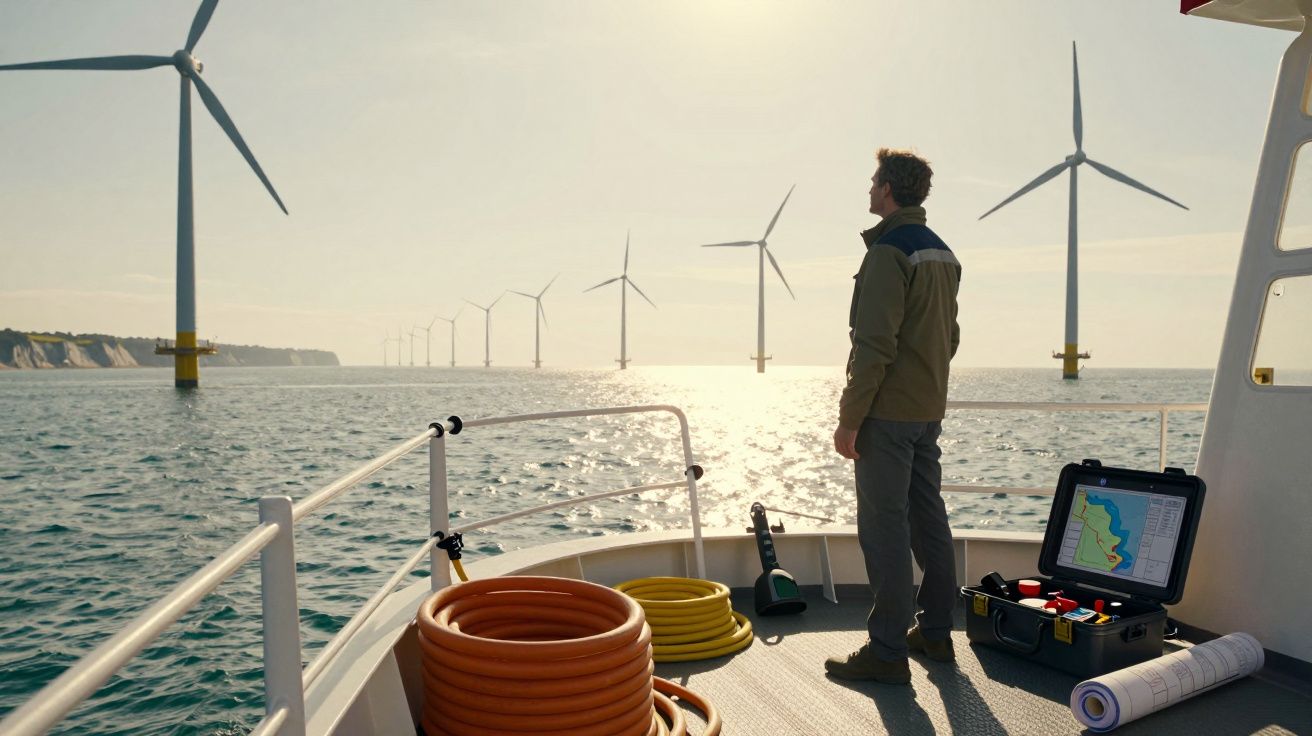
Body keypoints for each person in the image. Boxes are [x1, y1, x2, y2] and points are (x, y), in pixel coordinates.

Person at [825, 148, 962, 684]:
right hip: (928, 411)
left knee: (883, 528)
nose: (868, 190)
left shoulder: (888, 252)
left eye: (873, 181)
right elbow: (949, 337)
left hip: (888, 415)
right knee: (929, 520)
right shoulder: (943, 253)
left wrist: (850, 418)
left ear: (888, 189)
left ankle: (886, 653)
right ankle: (935, 633)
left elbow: (875, 345)